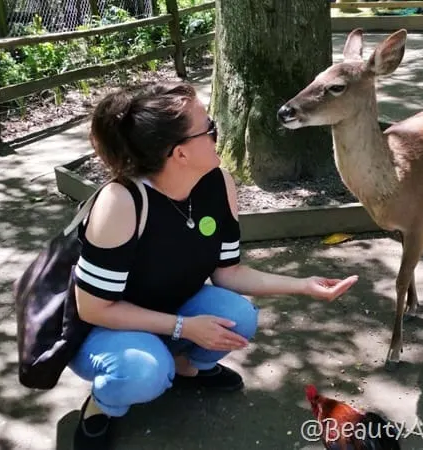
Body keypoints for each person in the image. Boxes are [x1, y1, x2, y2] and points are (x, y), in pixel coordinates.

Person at [69, 80, 359, 449]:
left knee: (240, 315)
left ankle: (189, 370)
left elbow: (228, 273)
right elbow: (93, 307)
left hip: (171, 310)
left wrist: (303, 285)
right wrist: (183, 327)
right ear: (180, 154)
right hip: (104, 328)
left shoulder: (218, 184)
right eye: (209, 128)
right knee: (145, 371)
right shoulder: (123, 201)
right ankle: (103, 405)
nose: (217, 131)